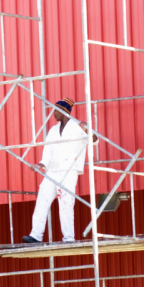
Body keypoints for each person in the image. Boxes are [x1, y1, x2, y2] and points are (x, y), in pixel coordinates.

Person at [23, 97, 90, 244]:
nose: (53, 113)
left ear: (64, 112)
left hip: (68, 171)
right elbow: (47, 153)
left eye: (56, 110)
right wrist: (40, 165)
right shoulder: (53, 131)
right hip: (52, 171)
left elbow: (94, 140)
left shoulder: (77, 127)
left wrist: (88, 130)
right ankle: (35, 235)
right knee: (42, 199)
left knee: (65, 203)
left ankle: (68, 238)